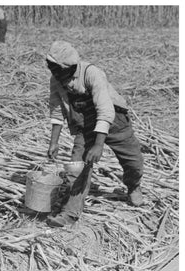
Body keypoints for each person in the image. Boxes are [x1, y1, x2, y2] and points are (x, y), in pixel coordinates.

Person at [44, 41, 144, 227]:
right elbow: (57, 109)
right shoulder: (56, 79)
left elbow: (105, 109)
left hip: (114, 121)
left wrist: (98, 145)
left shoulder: (91, 73)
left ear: (69, 67)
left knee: (134, 161)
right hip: (86, 125)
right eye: (50, 67)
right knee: (77, 167)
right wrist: (53, 142)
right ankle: (69, 213)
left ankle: (133, 186)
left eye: (55, 68)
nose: (52, 72)